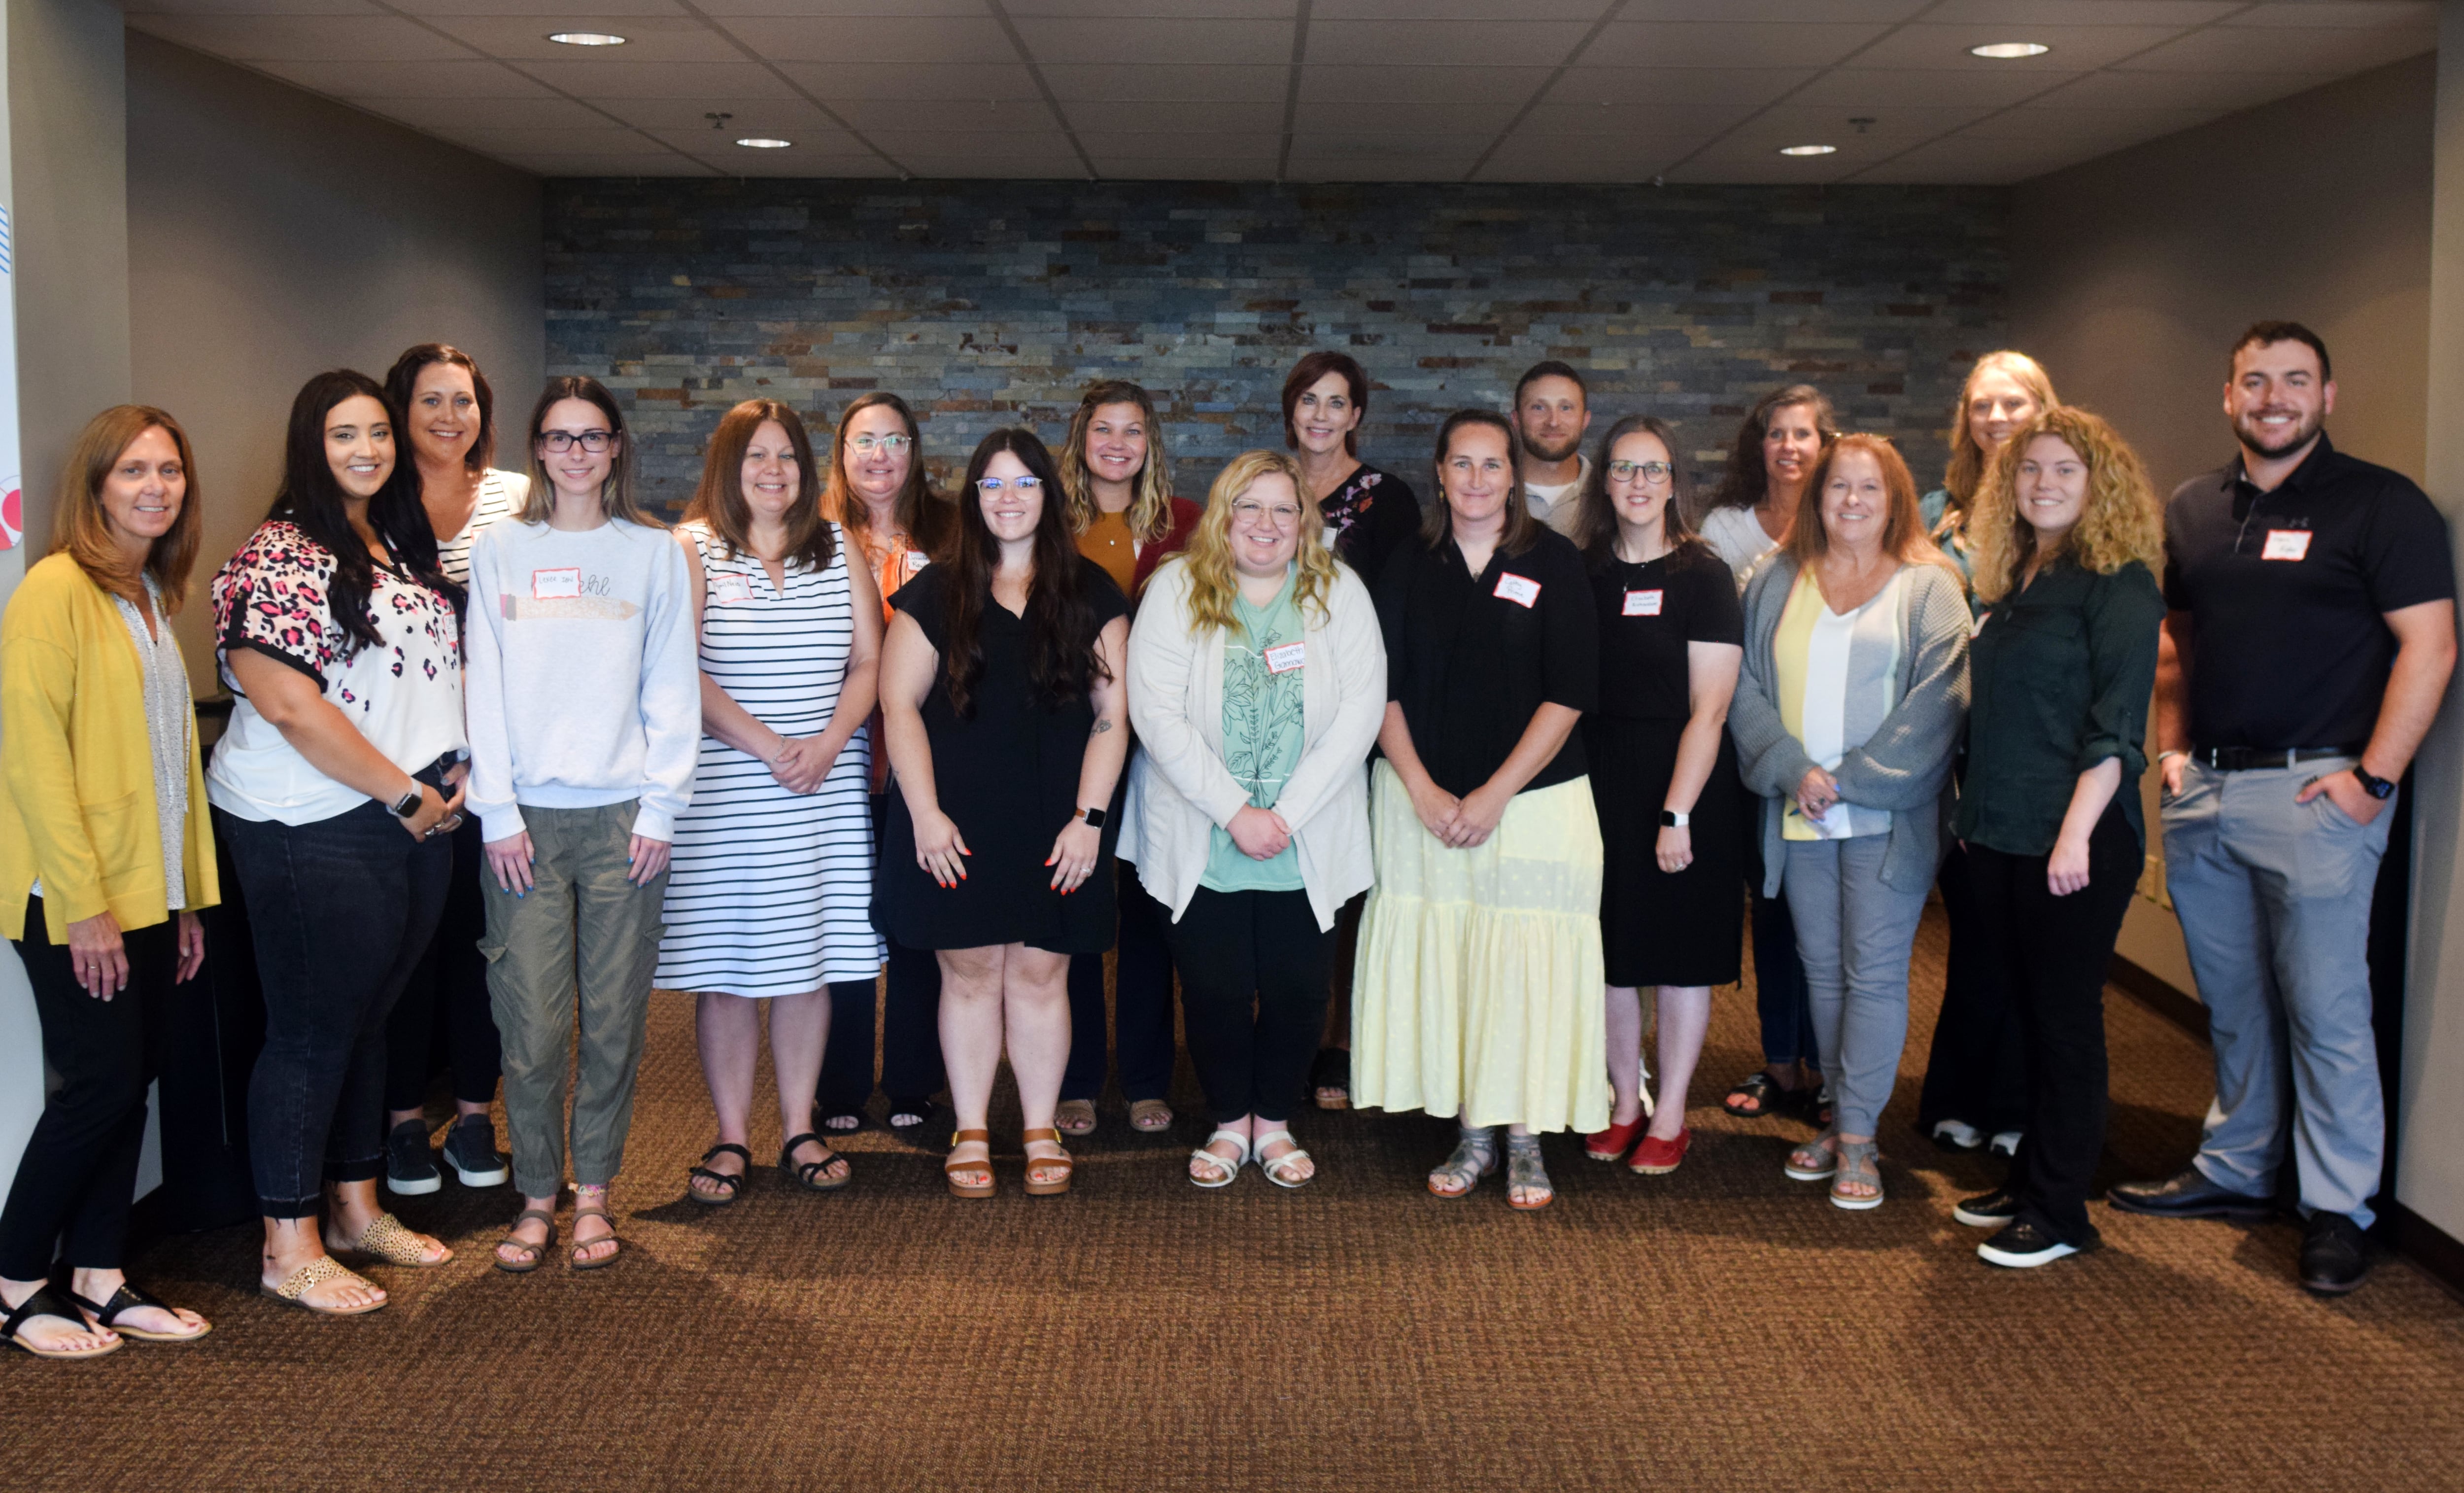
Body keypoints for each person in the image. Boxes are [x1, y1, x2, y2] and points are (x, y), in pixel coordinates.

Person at [2114, 322, 2456, 1297]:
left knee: (2326, 1007)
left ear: (2326, 396)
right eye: (2254, 381)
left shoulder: (2380, 506)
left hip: (2319, 793)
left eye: (2293, 381)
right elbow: (2177, 640)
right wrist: (2170, 750)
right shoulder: (2192, 507)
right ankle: (2236, 1167)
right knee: (2233, 1001)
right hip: (2207, 790)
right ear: (2228, 396)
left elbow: (2427, 649)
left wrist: (2372, 778)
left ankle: (2337, 1205)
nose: (2273, 397)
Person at [207, 371, 467, 1313]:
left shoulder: (392, 539)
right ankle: (289, 1242)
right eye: (343, 433)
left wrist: (447, 771)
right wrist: (403, 793)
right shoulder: (277, 552)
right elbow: (285, 701)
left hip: (407, 814)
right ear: (309, 445)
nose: (366, 448)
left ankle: (356, 1209)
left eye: (377, 432)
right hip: (308, 818)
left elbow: (427, 670)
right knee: (314, 1030)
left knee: (371, 1016)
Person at [465, 376, 698, 1273]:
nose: (575, 452)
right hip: (521, 821)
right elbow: (480, 681)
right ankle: (536, 1197)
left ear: (615, 449)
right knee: (529, 1023)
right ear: (539, 449)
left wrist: (662, 807)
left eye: (591, 436)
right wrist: (495, 810)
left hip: (623, 820)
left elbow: (672, 683)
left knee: (612, 1020)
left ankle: (594, 1191)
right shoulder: (500, 550)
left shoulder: (653, 550)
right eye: (558, 438)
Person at [0, 408, 216, 1357]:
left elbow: (173, 766)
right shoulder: (54, 590)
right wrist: (82, 901)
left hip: (148, 892)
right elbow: (35, 759)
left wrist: (186, 899)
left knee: (134, 1084)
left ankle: (96, 1272)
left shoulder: (148, 594)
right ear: (96, 485)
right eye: (133, 470)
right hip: (70, 893)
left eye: (169, 470)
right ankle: (13, 1279)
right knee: (99, 1082)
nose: (155, 486)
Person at [1354, 409, 1605, 1210]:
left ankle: (1525, 1130)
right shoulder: (1407, 561)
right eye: (1460, 463)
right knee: (1459, 965)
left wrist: (1495, 793)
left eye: (1491, 464)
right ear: (1438, 471)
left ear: (1513, 474)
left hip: (1533, 803)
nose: (1475, 479)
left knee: (1521, 968)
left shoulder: (1554, 560)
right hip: (1418, 802)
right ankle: (1472, 1127)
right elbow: (1376, 684)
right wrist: (1422, 787)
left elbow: (1570, 691)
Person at [875, 428, 1130, 1199]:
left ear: (1049, 495)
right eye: (993, 484)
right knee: (973, 973)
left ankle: (1042, 1126)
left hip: (1061, 821)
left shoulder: (1092, 592)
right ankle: (974, 1129)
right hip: (958, 818)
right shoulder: (935, 591)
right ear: (973, 496)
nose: (1009, 498)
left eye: (1025, 483)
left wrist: (1089, 821)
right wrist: (922, 813)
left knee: (1044, 974)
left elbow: (1113, 717)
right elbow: (898, 704)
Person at [1125, 451, 1385, 1188]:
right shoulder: (1178, 587)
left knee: (1301, 988)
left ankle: (1272, 1120)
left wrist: (1286, 814)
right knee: (1213, 986)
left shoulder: (1339, 591)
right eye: (1249, 507)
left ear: (1304, 521)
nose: (1265, 524)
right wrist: (1237, 812)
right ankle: (1227, 1119)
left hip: (1307, 836)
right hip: (1202, 830)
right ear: (1222, 516)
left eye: (1282, 509)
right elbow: (1156, 712)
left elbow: (1362, 712)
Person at [1728, 434, 1969, 1212]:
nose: (1853, 502)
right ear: (1817, 497)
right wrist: (1795, 770)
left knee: (1874, 973)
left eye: (1870, 488)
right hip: (1799, 811)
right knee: (1822, 972)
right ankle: (1838, 1116)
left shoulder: (1930, 586)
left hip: (1885, 819)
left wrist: (1855, 779)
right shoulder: (1773, 580)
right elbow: (1744, 688)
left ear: (1896, 497)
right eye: (1839, 488)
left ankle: (1860, 1135)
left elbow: (1940, 702)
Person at [1950, 408, 2165, 1268]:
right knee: (2025, 1013)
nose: (2043, 483)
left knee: (2065, 1019)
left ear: (2098, 484)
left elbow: (2117, 728)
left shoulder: (2119, 582)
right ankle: (2032, 1176)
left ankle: (2062, 1207)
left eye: (2064, 471)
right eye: (2030, 470)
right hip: (2000, 834)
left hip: (2073, 839)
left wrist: (2073, 835)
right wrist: (1974, 819)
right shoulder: (2020, 577)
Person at [661, 400, 883, 1205]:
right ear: (728, 465)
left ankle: (798, 1125)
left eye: (788, 455)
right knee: (727, 968)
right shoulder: (692, 549)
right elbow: (676, 668)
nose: (774, 469)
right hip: (728, 790)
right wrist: (766, 744)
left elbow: (869, 660)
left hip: (821, 787)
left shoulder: (841, 548)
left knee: (808, 961)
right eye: (756, 455)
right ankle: (730, 1134)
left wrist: (824, 746)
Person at [1563, 416, 1743, 1176]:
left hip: (1686, 779)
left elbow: (1711, 708)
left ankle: (1671, 1114)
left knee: (1678, 958)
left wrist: (1677, 811)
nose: (1639, 483)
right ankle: (1623, 1103)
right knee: (1609, 955)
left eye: (1655, 469)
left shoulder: (1704, 575)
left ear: (1675, 483)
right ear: (1603, 480)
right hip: (1599, 777)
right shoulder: (1584, 573)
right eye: (1625, 468)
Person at [378, 342, 528, 1196]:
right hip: (396, 776)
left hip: (496, 773)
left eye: (463, 401)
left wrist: (489, 764)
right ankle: (403, 1126)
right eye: (430, 400)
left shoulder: (517, 500)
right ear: (403, 410)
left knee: (486, 951)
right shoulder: (372, 503)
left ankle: (476, 1117)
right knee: (408, 954)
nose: (448, 416)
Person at [1915, 351, 2060, 1160]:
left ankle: (2016, 1103)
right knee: (1973, 930)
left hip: (2031, 751)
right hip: (1954, 751)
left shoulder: (2061, 503)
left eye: (2013, 403)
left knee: (2027, 935)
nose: (1997, 419)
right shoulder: (1940, 511)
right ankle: (1960, 1095)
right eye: (1982, 406)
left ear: (2044, 407)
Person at [1054, 381, 1199, 1139]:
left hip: (1163, 752)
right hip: (1070, 743)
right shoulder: (1049, 520)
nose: (1117, 443)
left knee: (1148, 918)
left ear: (1151, 443)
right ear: (1081, 439)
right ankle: (1076, 1080)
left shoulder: (1188, 525)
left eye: (1133, 431)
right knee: (1075, 909)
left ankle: (1146, 1078)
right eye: (1103, 429)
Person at [1278, 349, 1421, 1110]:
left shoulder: (1385, 498)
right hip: (1270, 704)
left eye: (1337, 402)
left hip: (1351, 707)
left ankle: (1337, 1039)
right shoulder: (1264, 486)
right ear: (1291, 409)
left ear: (1357, 415)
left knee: (1341, 878)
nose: (1322, 415)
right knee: (1277, 870)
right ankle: (1281, 1033)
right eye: (1310, 400)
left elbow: (1395, 611)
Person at [1699, 385, 1836, 1126]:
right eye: (1776, 434)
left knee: (1833, 923)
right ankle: (1782, 1063)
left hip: (1835, 762)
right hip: (1755, 753)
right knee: (1775, 911)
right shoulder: (1726, 527)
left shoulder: (1848, 520)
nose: (1789, 447)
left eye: (1804, 434)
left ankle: (1828, 1069)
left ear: (1826, 444)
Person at [815, 391, 948, 1138]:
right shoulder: (814, 537)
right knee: (842, 924)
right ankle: (837, 1086)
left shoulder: (951, 532)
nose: (880, 456)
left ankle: (912, 1080)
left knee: (915, 923)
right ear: (842, 452)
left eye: (895, 441)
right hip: (840, 758)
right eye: (865, 441)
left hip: (921, 763)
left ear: (914, 452)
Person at [1512, 360, 1592, 535]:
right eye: (1539, 408)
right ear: (1516, 420)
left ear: (1585, 420)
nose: (1554, 422)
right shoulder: (1486, 492)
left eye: (1566, 408)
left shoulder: (1611, 492)